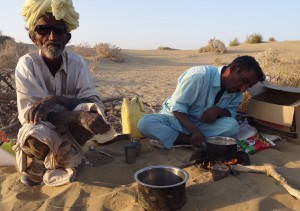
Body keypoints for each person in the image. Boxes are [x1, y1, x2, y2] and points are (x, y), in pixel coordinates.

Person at [13, 0, 117, 186]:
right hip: (42, 131)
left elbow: (92, 100)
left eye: (59, 30)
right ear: (33, 37)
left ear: (67, 38)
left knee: (93, 112)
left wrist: (57, 99)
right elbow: (32, 116)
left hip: (71, 133)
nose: (52, 37)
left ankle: (62, 157)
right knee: (32, 133)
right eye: (43, 30)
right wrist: (76, 115)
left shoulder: (77, 63)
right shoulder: (26, 64)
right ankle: (40, 161)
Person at [137, 55, 265, 149]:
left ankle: (174, 139)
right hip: (176, 119)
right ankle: (192, 141)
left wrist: (218, 111)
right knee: (145, 123)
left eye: (248, 86)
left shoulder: (237, 90)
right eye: (244, 81)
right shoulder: (199, 75)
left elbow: (231, 111)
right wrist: (194, 131)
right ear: (234, 68)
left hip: (201, 124)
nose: (243, 89)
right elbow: (177, 108)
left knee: (232, 126)